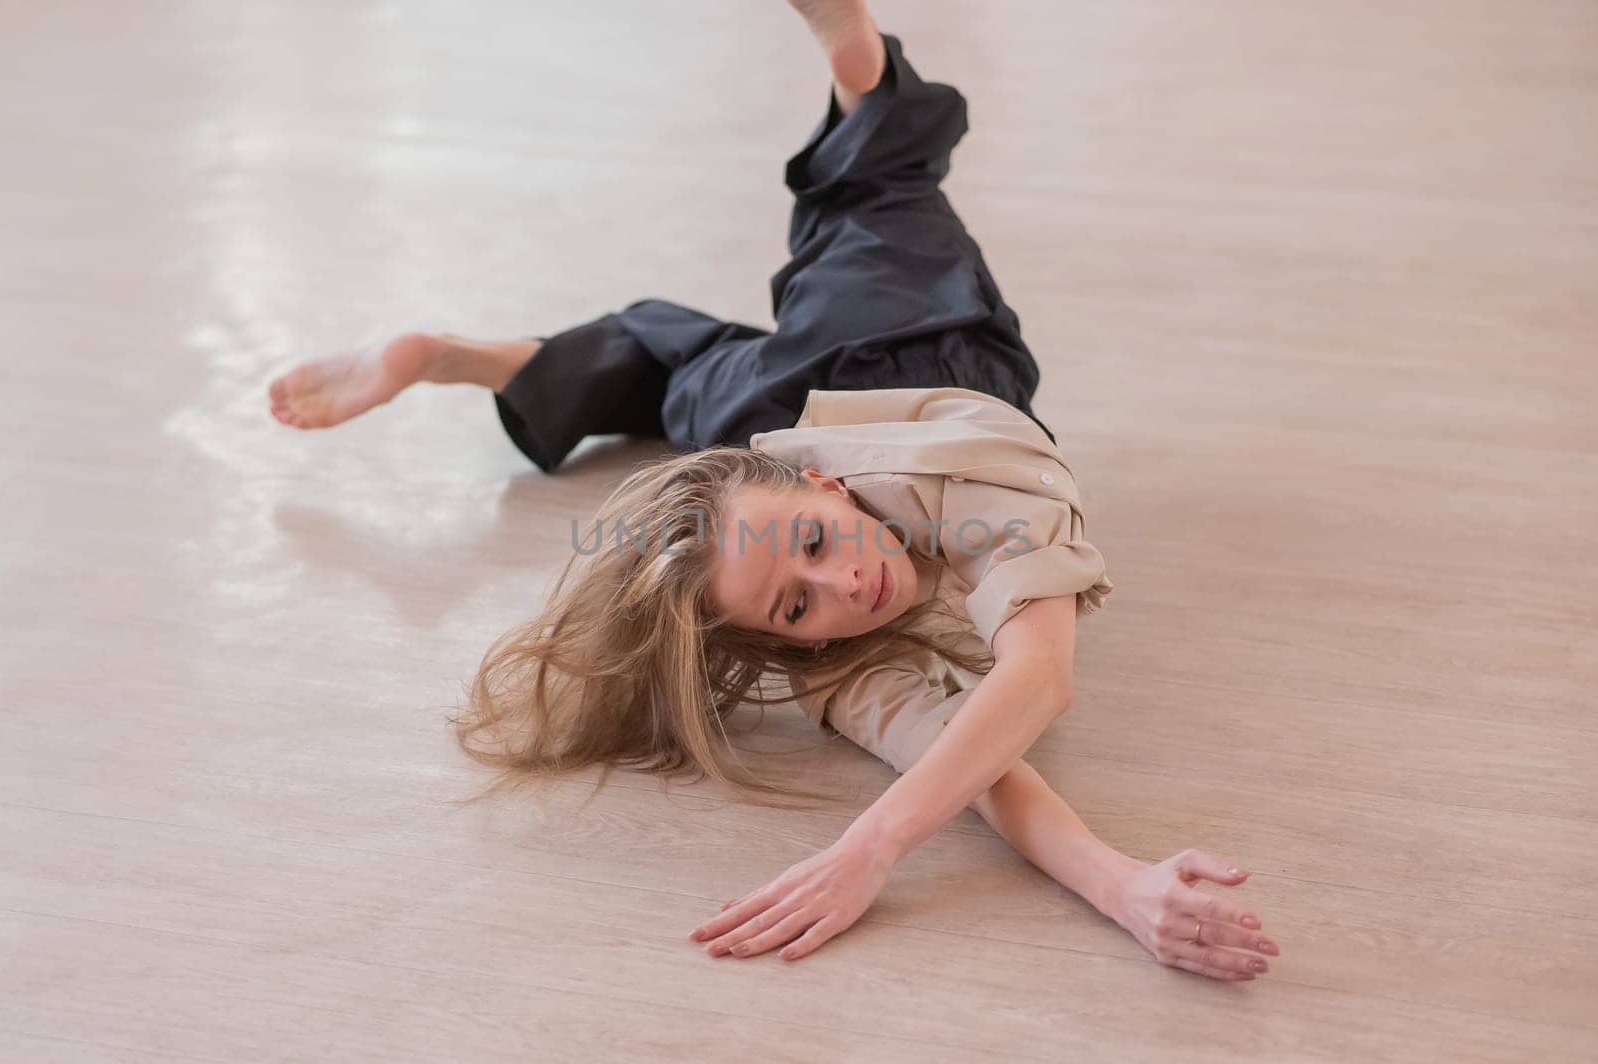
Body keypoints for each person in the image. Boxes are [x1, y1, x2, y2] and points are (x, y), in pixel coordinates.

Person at [266, 0, 1280, 983]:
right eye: (794, 602)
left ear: (822, 478)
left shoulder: (976, 481)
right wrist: (1122, 888)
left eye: (812, 541)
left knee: (883, 212)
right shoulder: (816, 628)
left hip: (916, 347)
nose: (840, 584)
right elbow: (983, 770)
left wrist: (871, 846)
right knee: (701, 368)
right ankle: (458, 351)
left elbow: (1035, 682)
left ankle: (854, 61)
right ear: (777, 633)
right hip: (768, 406)